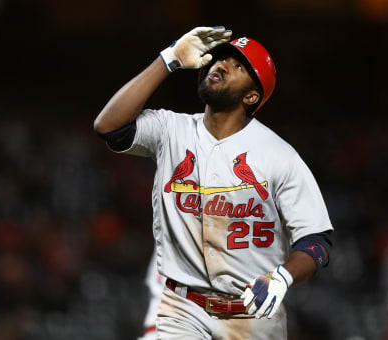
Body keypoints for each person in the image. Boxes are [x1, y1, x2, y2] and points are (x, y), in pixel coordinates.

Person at [94, 26, 333, 340]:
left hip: (251, 314)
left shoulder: (279, 156)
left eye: (239, 66)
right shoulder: (171, 130)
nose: (222, 65)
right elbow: (108, 126)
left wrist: (283, 276)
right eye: (220, 59)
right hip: (182, 309)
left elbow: (317, 242)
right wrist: (169, 59)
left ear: (252, 95)